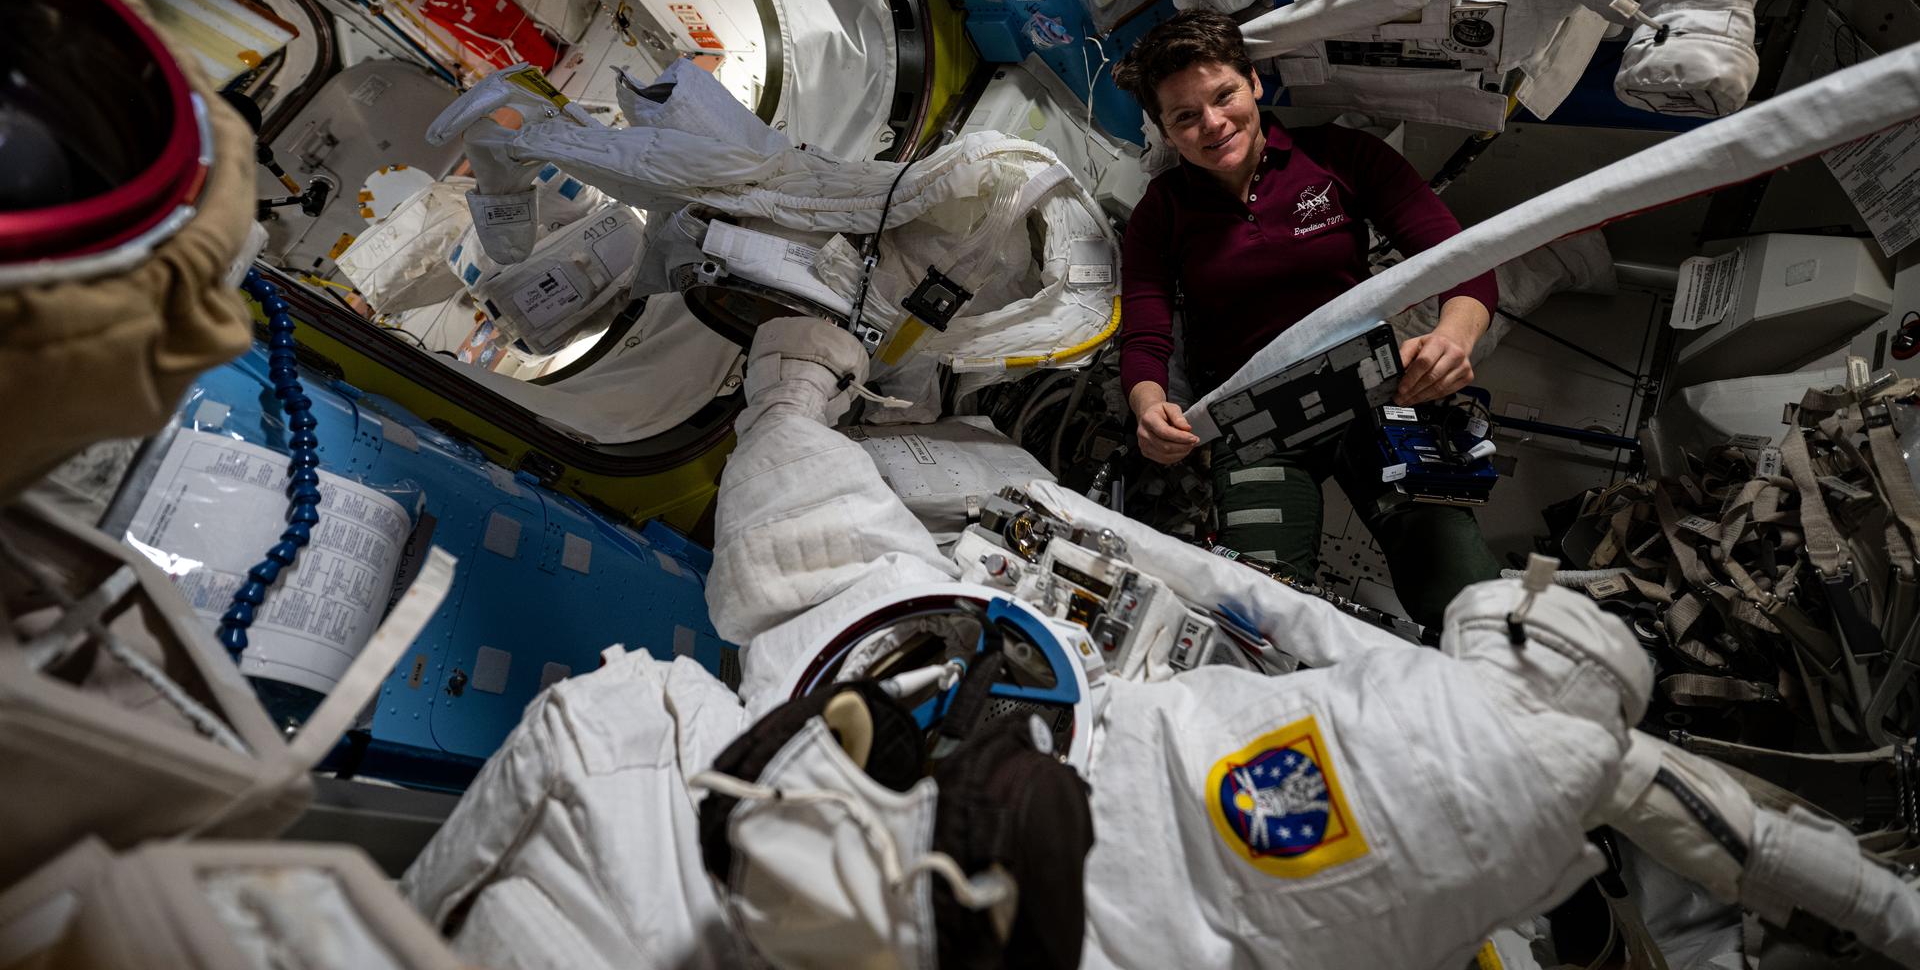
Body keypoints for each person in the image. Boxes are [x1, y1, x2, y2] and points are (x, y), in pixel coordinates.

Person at [399, 315, 1920, 970]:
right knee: (1530, 748)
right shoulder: (1195, 841)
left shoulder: (788, 631)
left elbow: (790, 472)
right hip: (1137, 794)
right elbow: (1544, 742)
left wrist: (802, 382)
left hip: (894, 653)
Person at [1114, 8, 1500, 629]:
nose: (1212, 125)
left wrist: (1454, 337)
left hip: (1371, 391)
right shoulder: (1161, 213)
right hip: (1253, 417)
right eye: (1185, 116)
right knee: (1259, 617)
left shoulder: (1343, 157)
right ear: (1164, 129)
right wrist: (1146, 406)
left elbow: (1465, 265)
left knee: (1466, 597)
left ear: (1254, 83)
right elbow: (1147, 332)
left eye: (1224, 95)